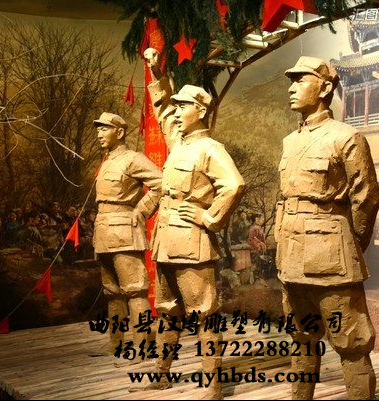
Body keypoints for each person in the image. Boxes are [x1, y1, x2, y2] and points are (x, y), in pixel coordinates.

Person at [140, 48, 245, 399]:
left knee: (204, 314)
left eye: (183, 106)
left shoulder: (210, 149)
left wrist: (209, 217)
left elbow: (234, 185)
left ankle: (213, 386)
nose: (176, 112)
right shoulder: (178, 143)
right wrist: (157, 74)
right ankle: (162, 373)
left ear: (200, 111)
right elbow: (162, 109)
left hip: (192, 245)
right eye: (177, 106)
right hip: (166, 242)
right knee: (167, 311)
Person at [275, 56, 379, 400]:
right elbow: (284, 197)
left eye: (301, 80)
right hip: (291, 258)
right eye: (291, 82)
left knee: (352, 342)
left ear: (324, 88)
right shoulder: (290, 141)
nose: (292, 88)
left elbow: (367, 197)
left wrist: (349, 244)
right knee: (301, 337)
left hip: (331, 261)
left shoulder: (347, 137)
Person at [92, 112, 163, 362]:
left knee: (134, 291)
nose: (99, 134)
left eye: (104, 129)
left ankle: (142, 346)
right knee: (112, 292)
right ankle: (116, 343)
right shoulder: (107, 161)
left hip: (124, 229)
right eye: (98, 129)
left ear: (120, 132)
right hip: (103, 230)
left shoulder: (133, 159)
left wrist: (141, 210)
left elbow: (162, 183)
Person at [247, 213, 267, 285]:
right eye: (261, 218)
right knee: (257, 264)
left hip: (260, 249)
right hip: (255, 249)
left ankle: (259, 279)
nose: (263, 220)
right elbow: (251, 239)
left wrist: (263, 245)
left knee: (260, 264)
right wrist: (259, 244)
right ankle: (256, 279)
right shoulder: (253, 228)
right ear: (256, 219)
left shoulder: (259, 227)